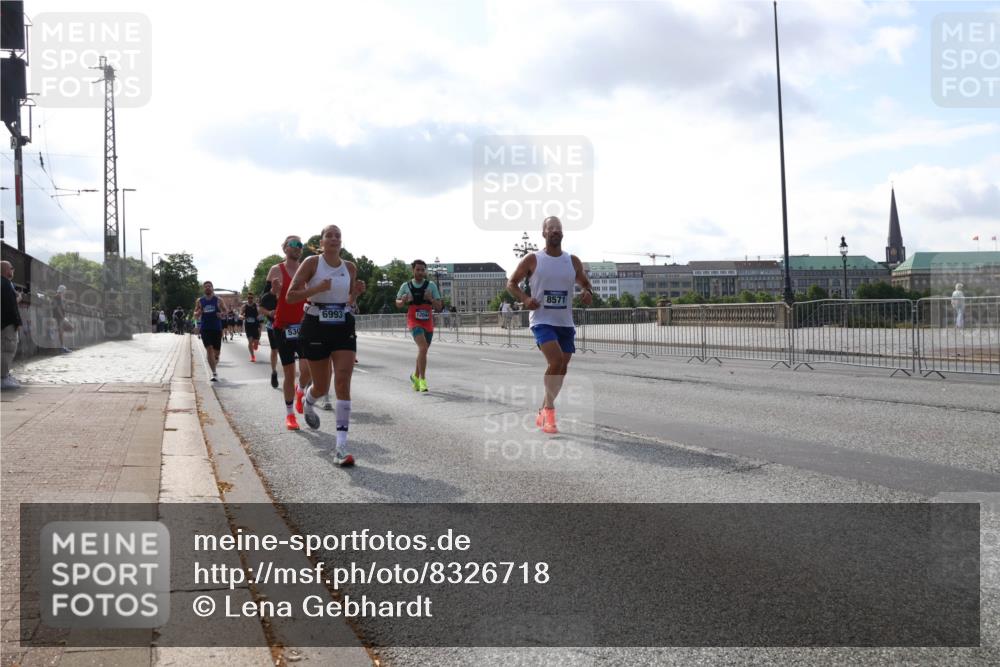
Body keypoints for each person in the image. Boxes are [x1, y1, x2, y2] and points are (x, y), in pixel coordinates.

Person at [286, 224, 365, 466]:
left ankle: (341, 447)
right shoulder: (311, 263)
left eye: (337, 235)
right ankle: (308, 401)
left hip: (342, 325)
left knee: (342, 382)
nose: (333, 239)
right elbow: (291, 295)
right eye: (328, 236)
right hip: (315, 324)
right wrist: (317, 288)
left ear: (341, 241)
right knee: (321, 386)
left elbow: (349, 299)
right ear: (321, 242)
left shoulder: (349, 267)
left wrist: (356, 294)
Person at [506, 216, 593, 434]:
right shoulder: (533, 259)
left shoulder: (572, 261)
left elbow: (585, 283)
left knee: (561, 368)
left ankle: (543, 409)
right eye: (550, 228)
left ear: (562, 233)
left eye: (558, 228)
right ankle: (550, 411)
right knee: (555, 361)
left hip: (565, 322)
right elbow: (511, 283)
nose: (555, 231)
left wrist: (587, 292)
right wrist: (526, 300)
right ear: (543, 233)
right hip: (542, 320)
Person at [267, 235, 312, 430]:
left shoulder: (307, 268)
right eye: (293, 244)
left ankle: (301, 391)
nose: (297, 247)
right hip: (283, 327)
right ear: (285, 248)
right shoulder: (276, 269)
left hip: (304, 325)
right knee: (289, 372)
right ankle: (290, 415)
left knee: (308, 368)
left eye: (300, 245)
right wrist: (272, 292)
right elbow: (265, 301)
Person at [395, 259, 442, 393]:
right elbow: (397, 303)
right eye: (418, 270)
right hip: (413, 320)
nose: (421, 272)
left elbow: (439, 307)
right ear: (413, 270)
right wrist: (403, 300)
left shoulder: (431, 285)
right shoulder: (406, 285)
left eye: (423, 270)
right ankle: (422, 380)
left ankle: (414, 376)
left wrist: (431, 299)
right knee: (422, 347)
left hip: (428, 321)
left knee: (423, 351)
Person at [194, 281, 227, 381]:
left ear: (212, 288)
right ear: (204, 289)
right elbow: (195, 313)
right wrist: (198, 313)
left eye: (209, 286)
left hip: (216, 328)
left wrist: (221, 314)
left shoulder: (218, 300)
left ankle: (215, 360)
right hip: (205, 328)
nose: (208, 288)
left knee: (216, 353)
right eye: (206, 287)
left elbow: (225, 311)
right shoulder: (200, 301)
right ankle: (214, 373)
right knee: (209, 349)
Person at [1, 261, 23, 390]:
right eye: (12, 268)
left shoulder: (6, 284)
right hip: (7, 323)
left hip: (6, 322)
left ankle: (5, 375)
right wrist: (17, 322)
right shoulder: (4, 284)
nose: (13, 270)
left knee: (7, 349)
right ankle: (2, 378)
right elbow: (9, 305)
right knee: (7, 350)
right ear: (6, 270)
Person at [242, 295, 261, 362]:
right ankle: (252, 356)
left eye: (251, 298)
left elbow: (260, 312)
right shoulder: (245, 306)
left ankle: (256, 343)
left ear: (253, 298)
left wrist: (259, 315)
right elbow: (241, 314)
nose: (250, 299)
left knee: (255, 342)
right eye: (249, 298)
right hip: (248, 326)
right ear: (247, 299)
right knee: (250, 341)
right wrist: (242, 316)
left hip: (255, 325)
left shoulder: (256, 305)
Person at [53, 285, 71, 353]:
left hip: (60, 317)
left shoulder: (59, 297)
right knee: (60, 332)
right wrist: (63, 318)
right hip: (59, 317)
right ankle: (62, 348)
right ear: (62, 291)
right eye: (64, 291)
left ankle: (62, 347)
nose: (65, 292)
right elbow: (58, 308)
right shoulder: (57, 297)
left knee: (61, 332)